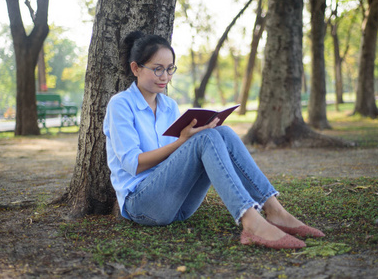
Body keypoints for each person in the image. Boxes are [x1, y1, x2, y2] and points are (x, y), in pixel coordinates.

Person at [103, 31, 325, 250]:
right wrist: (184, 142)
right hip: (143, 204)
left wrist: (194, 136)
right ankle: (250, 221)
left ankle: (275, 210)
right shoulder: (121, 104)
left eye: (170, 69)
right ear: (136, 68)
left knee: (223, 132)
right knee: (206, 138)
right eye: (157, 69)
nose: (165, 76)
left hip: (179, 205)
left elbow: (178, 160)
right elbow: (134, 163)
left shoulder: (168, 105)